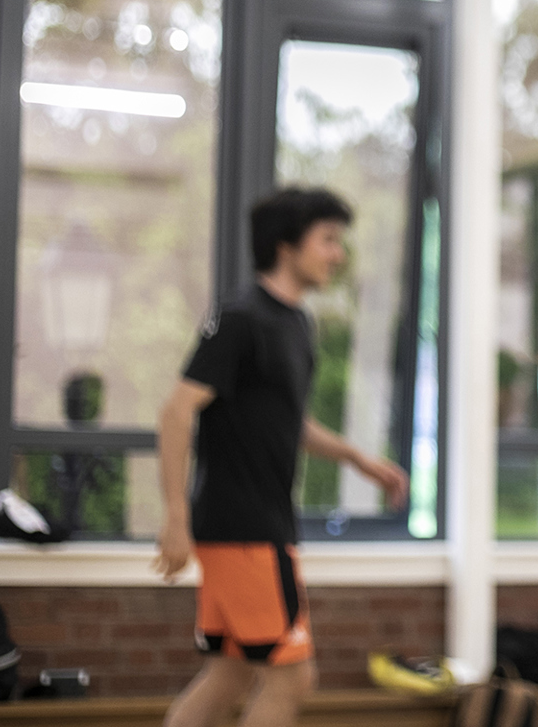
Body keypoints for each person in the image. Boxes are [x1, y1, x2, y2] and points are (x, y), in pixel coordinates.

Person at [156, 188, 409, 727]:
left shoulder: (296, 324)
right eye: (327, 240)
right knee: (293, 678)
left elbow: (287, 421)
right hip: (245, 528)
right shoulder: (241, 318)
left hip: (254, 526)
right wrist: (174, 516)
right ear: (286, 247)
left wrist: (356, 458)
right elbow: (176, 413)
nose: (337, 254)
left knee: (231, 674)